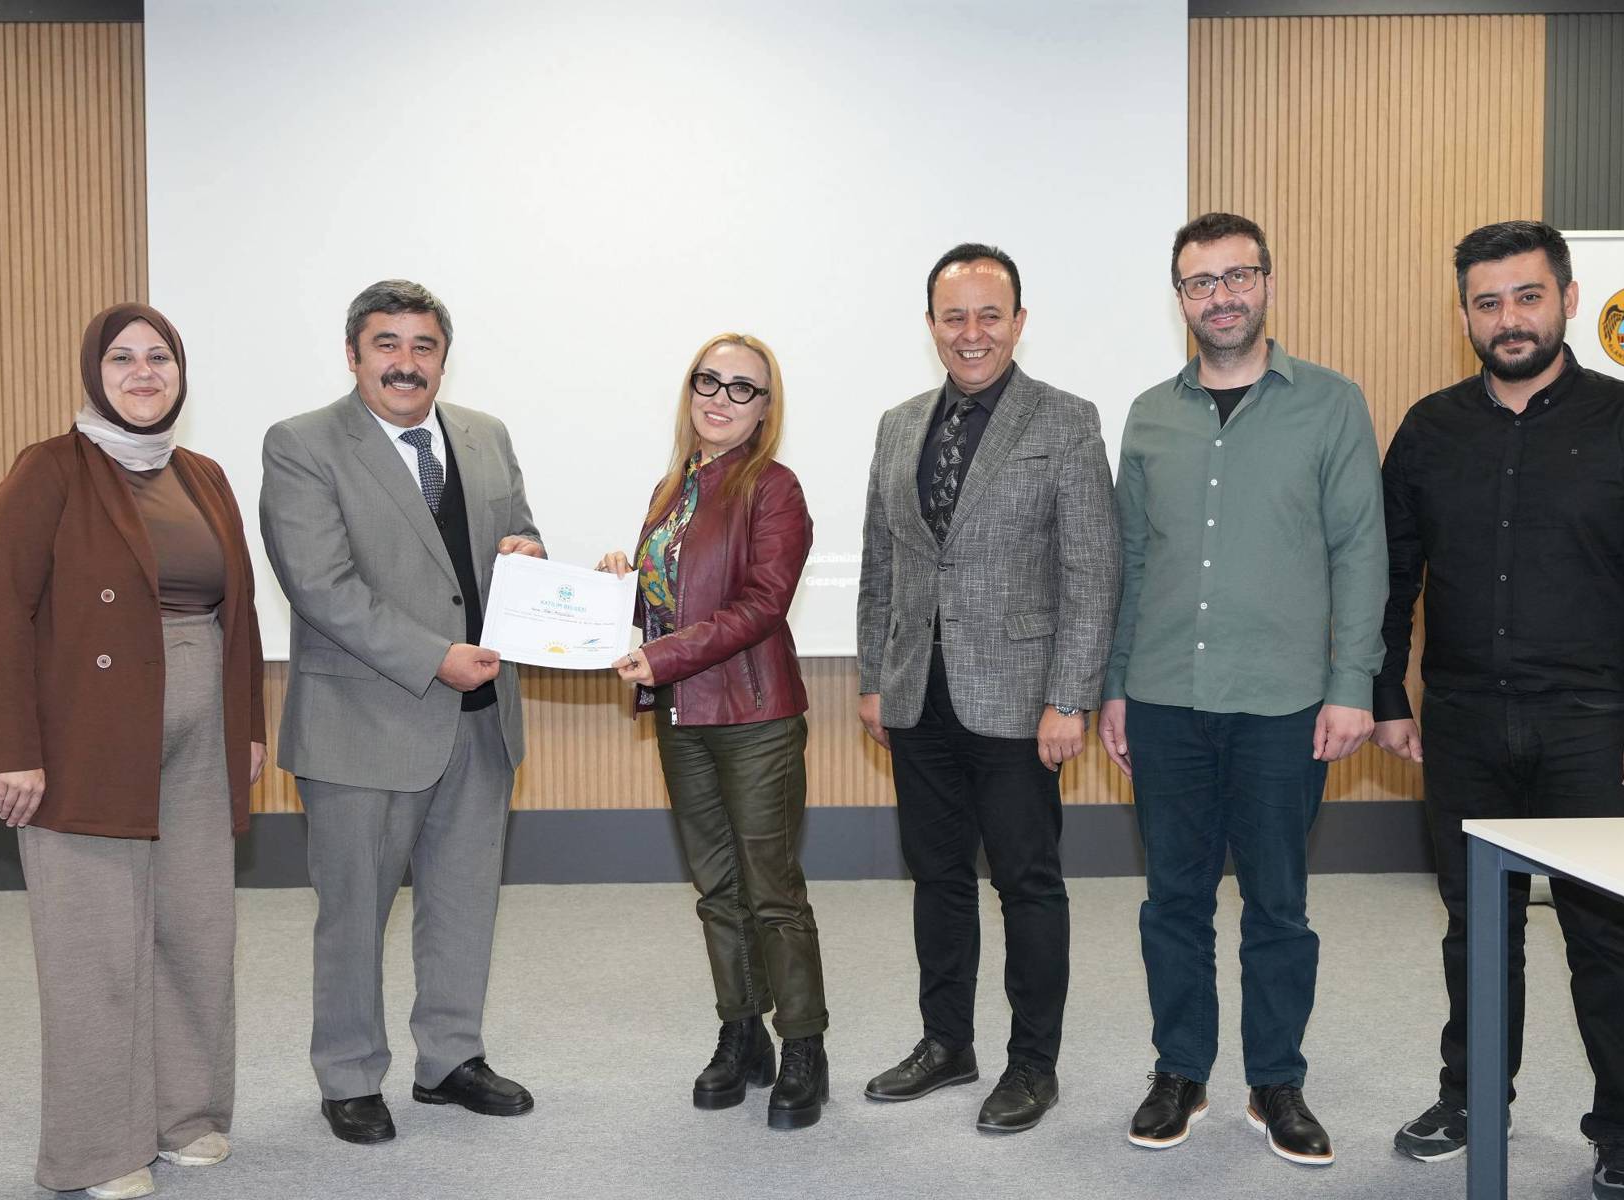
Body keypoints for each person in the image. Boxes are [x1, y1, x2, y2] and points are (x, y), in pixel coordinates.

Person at [1375, 220, 1624, 1200]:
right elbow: (1391, 576)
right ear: (1464, 315)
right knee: (1476, 932)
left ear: (1567, 298)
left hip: (1595, 727)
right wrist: (1387, 695)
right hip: (1465, 720)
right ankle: (1472, 1097)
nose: (1508, 318)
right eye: (1488, 302)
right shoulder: (1430, 429)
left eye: (1527, 296)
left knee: (1607, 938)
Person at [1097, 212, 1386, 1167]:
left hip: (1285, 702)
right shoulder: (1149, 414)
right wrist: (1115, 685)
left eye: (1237, 276)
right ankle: (1180, 1071)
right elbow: (1132, 562)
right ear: (1179, 297)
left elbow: (1360, 553)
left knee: (1278, 906)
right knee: (1172, 901)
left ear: (1266, 281)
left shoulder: (1332, 404)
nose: (1220, 297)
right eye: (1200, 282)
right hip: (1165, 696)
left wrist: (1352, 683)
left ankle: (1276, 1081)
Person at [0, 303, 266, 1199]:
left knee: (196, 928)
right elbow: (3, 613)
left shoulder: (205, 476)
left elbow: (240, 613)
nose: (144, 373)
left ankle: (186, 1116)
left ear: (180, 372)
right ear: (93, 373)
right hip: (84, 734)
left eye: (160, 358)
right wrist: (16, 749)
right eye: (122, 359)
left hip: (201, 731)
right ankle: (100, 1148)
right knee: (94, 948)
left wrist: (249, 725)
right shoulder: (49, 469)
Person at [260, 279, 544, 1145]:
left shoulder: (486, 436)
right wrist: (434, 658)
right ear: (354, 355)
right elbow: (321, 587)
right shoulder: (302, 445)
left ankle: (450, 1059)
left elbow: (519, 532)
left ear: (443, 359)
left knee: (464, 904)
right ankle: (349, 1075)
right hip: (363, 725)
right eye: (387, 344)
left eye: (424, 346)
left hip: (480, 719)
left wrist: (527, 552)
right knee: (354, 915)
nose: (406, 362)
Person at [856, 242, 1121, 1134]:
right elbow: (881, 563)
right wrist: (873, 677)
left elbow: (1092, 569)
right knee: (937, 877)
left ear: (1018, 321)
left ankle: (1033, 1065)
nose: (971, 333)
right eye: (953, 316)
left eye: (988, 315)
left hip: (1019, 699)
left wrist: (1070, 698)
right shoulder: (898, 424)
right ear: (931, 325)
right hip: (916, 696)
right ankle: (947, 1044)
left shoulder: (1066, 420)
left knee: (1027, 884)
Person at [598, 333, 828, 1129]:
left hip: (755, 717)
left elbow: (762, 604)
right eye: (709, 381)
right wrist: (618, 592)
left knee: (773, 894)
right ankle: (741, 1035)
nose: (721, 399)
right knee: (717, 891)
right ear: (690, 389)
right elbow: (672, 603)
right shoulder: (673, 488)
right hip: (682, 714)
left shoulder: (774, 488)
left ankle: (803, 1045)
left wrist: (663, 655)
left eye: (742, 388)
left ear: (765, 409)